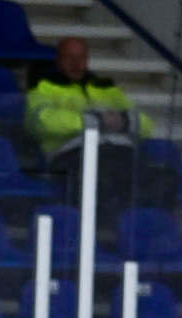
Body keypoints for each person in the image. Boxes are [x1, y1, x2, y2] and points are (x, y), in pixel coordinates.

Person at [26, 37, 159, 215]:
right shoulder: (44, 89)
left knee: (163, 177)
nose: (76, 64)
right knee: (105, 176)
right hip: (71, 154)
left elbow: (147, 125)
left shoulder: (107, 89)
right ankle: (105, 226)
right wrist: (95, 121)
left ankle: (145, 226)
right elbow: (42, 122)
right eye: (69, 58)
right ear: (58, 61)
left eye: (81, 58)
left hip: (119, 153)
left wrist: (124, 121)